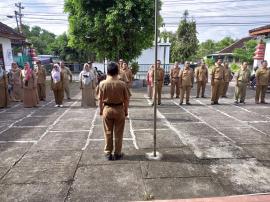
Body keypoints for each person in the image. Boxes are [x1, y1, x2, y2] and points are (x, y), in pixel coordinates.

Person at [98, 62, 129, 161]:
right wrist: (126, 111)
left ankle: (108, 153)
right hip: (119, 109)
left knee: (107, 132)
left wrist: (101, 110)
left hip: (107, 108)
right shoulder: (122, 84)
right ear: (117, 71)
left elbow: (100, 99)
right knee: (119, 133)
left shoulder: (102, 83)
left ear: (108, 71)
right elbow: (126, 99)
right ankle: (117, 153)